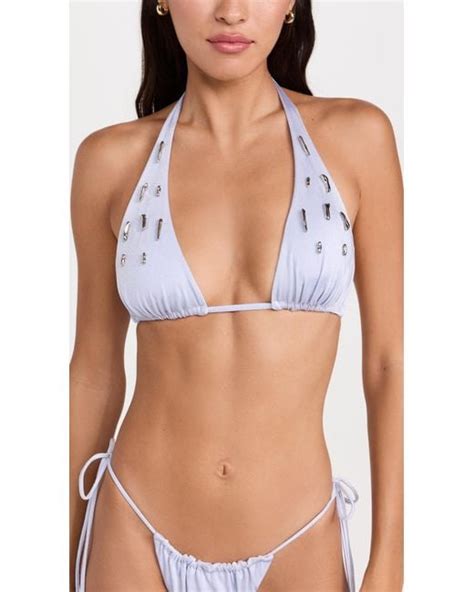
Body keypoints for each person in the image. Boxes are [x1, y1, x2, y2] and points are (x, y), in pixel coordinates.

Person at [70, 1, 403, 590]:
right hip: (132, 531)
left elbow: (388, 364)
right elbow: (93, 373)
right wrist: (59, 552)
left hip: (299, 538)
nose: (231, 12)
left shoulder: (357, 139)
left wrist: (390, 559)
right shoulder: (109, 161)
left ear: (292, 5)